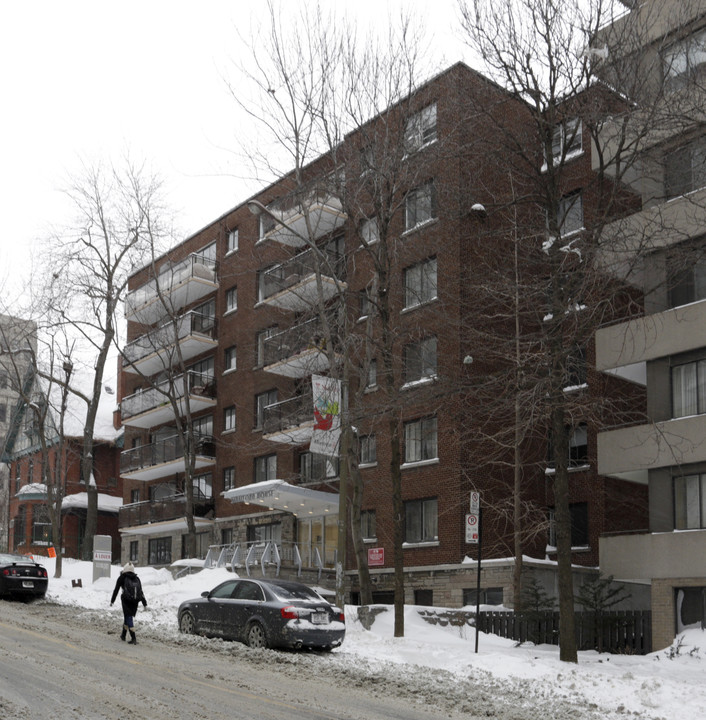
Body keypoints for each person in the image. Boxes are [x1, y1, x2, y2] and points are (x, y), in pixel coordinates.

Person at [110, 562, 147, 644]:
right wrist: (144, 603)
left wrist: (112, 600)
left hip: (126, 600)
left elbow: (116, 590)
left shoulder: (122, 577)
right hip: (135, 601)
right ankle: (123, 635)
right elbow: (141, 592)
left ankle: (133, 638)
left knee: (128, 617)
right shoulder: (137, 578)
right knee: (127, 616)